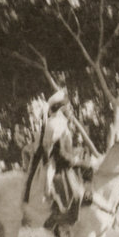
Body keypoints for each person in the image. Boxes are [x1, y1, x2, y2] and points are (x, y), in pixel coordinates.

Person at [25, 89, 94, 226]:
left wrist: (78, 153)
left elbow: (65, 148)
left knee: (89, 168)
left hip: (63, 161)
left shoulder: (61, 124)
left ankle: (85, 200)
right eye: (68, 109)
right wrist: (75, 160)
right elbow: (58, 153)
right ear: (62, 110)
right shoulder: (56, 125)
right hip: (58, 164)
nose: (71, 112)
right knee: (78, 185)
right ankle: (60, 217)